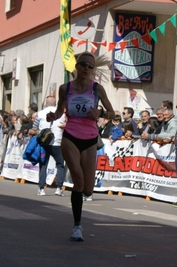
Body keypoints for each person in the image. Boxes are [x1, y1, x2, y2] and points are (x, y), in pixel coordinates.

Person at [47, 51, 115, 242]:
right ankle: (77, 227)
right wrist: (54, 115)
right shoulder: (65, 88)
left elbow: (112, 113)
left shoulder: (97, 89)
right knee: (78, 180)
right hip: (70, 136)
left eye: (90, 66)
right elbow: (60, 110)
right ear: (76, 66)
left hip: (90, 138)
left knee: (87, 190)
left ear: (93, 70)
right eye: (83, 64)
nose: (86, 68)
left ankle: (79, 213)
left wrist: (100, 112)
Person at [31, 96, 66, 196]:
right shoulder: (61, 114)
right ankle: (59, 188)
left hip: (44, 142)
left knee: (43, 165)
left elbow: (34, 127)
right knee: (60, 165)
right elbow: (65, 124)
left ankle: (41, 188)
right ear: (55, 104)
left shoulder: (40, 113)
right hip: (57, 142)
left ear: (46, 104)